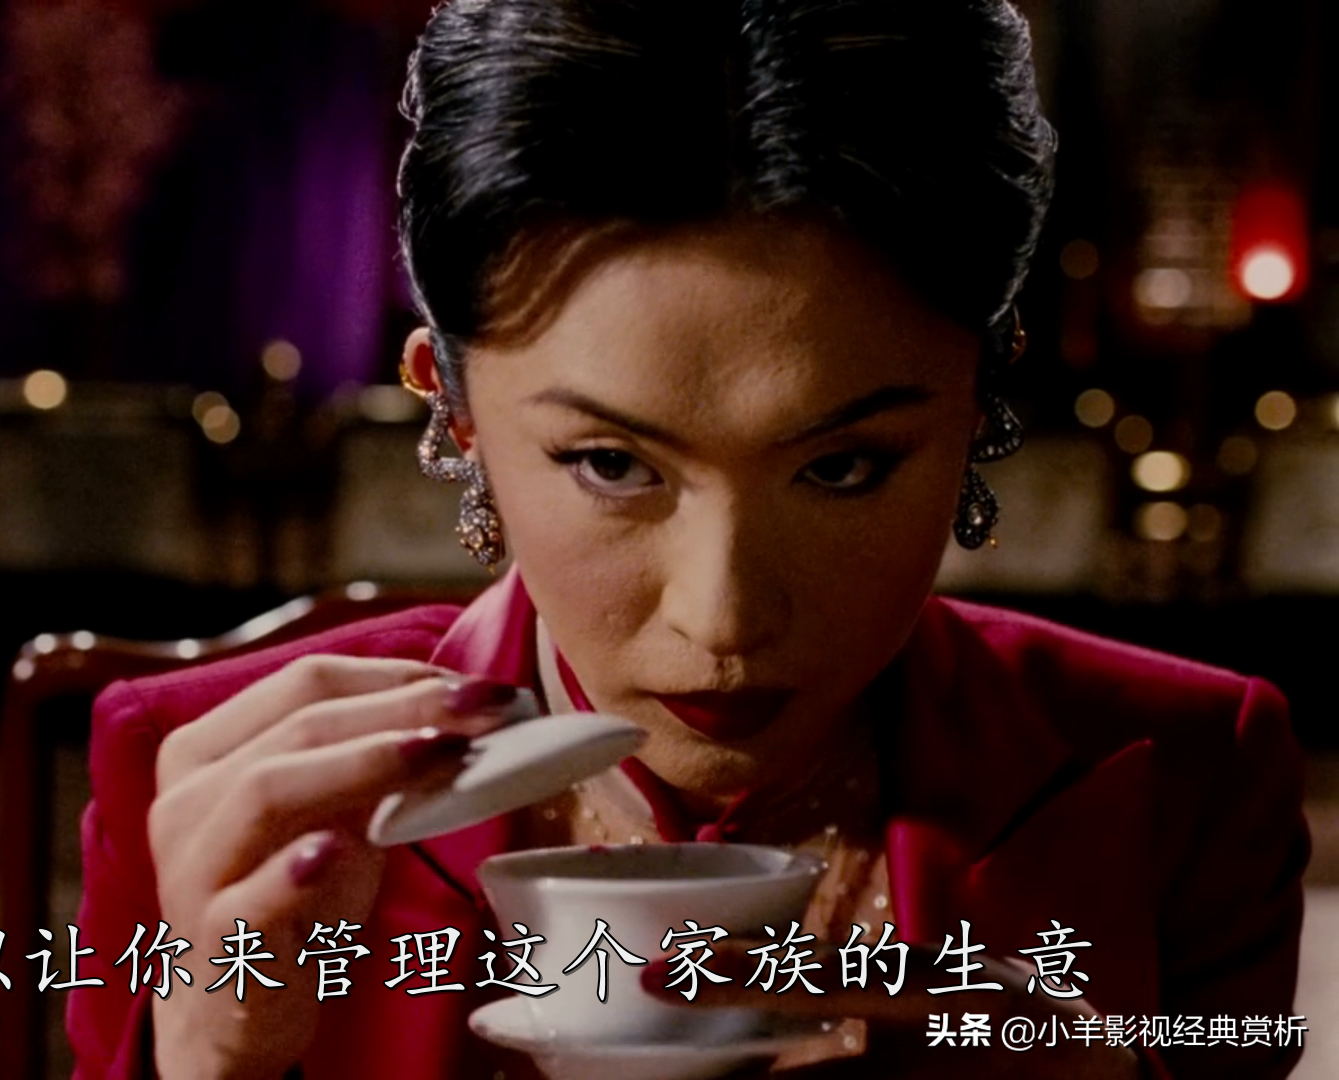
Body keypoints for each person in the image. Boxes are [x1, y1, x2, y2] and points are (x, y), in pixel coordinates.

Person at [69, 1, 1309, 1078]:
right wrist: (208, 1063)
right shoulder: (206, 783)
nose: (723, 619)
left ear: (980, 401)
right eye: (611, 464)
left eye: (842, 466)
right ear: (453, 408)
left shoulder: (1184, 771)